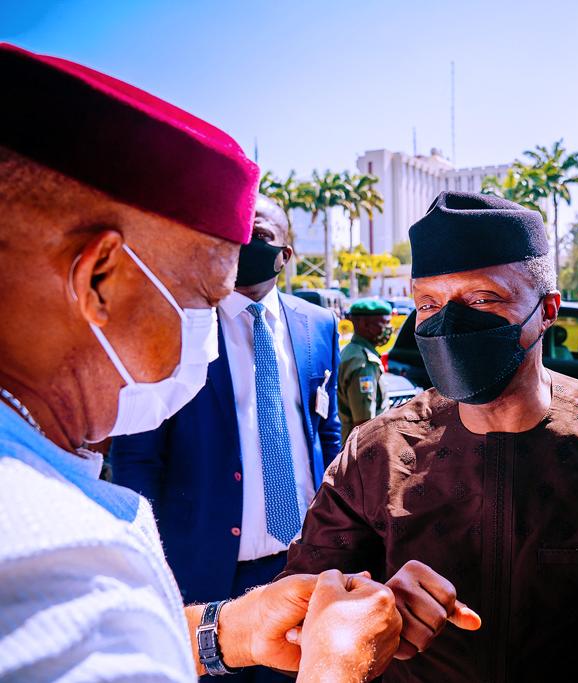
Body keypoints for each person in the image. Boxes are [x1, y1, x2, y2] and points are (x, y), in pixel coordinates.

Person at [0, 43, 400, 683]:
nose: (212, 329)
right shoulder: (54, 564)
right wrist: (337, 666)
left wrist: (223, 631)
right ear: (100, 280)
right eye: (203, 298)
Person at [279, 192, 578, 681]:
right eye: (429, 303)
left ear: (547, 309)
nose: (450, 320)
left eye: (483, 298)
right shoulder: (376, 455)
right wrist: (369, 599)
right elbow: (300, 611)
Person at [109, 195, 343, 680]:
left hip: (298, 565)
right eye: (235, 234)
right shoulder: (177, 325)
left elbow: (327, 431)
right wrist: (147, 560)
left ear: (286, 256)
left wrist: (334, 535)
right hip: (203, 572)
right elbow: (137, 458)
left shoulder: (318, 326)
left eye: (259, 237)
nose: (243, 245)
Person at [339, 298, 392, 442]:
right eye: (385, 323)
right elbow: (365, 425)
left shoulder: (350, 352)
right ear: (365, 324)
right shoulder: (363, 363)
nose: (389, 329)